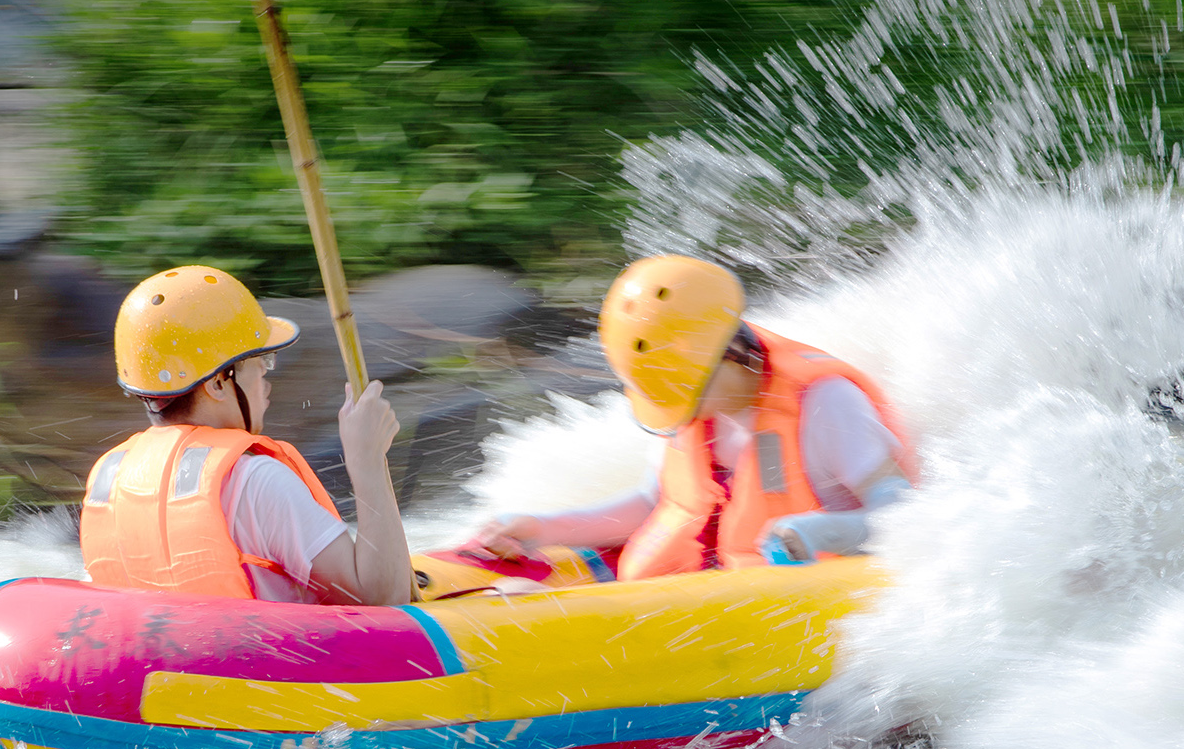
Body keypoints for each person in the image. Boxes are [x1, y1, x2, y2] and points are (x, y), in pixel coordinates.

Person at [476, 255, 914, 580]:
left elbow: (907, 516)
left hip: (811, 592)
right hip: (716, 584)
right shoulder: (693, 408)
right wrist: (543, 528)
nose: (681, 408)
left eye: (684, 390)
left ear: (730, 353)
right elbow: (653, 504)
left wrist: (824, 532)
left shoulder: (826, 403)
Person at [79, 265, 413, 605]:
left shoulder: (108, 480)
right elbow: (383, 600)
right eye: (261, 362)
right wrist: (367, 459)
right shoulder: (257, 484)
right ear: (217, 383)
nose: (266, 381)